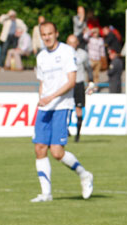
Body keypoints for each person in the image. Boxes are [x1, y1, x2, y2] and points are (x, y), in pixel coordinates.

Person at [30, 21, 94, 203]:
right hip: (45, 107)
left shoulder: (66, 51)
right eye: (44, 35)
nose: (47, 37)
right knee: (39, 148)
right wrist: (41, 97)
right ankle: (46, 194)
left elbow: (71, 81)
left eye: (50, 33)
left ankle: (84, 174)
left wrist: (50, 98)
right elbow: (42, 82)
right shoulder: (41, 56)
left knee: (57, 152)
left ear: (56, 33)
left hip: (61, 105)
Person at [67, 34, 94, 142]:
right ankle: (65, 129)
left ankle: (77, 135)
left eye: (74, 42)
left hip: (78, 84)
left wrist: (91, 82)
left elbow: (88, 68)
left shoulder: (83, 54)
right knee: (65, 108)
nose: (72, 45)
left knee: (79, 109)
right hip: (67, 85)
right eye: (70, 42)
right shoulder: (63, 53)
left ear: (77, 43)